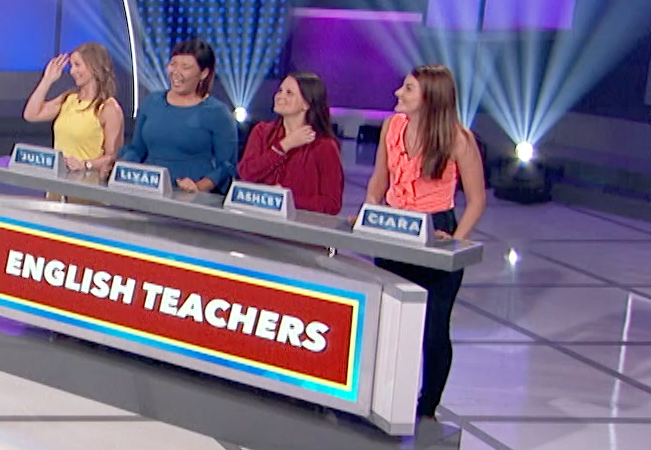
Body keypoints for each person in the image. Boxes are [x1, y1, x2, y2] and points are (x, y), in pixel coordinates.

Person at [363, 64, 486, 422]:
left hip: (436, 232)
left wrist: (456, 244)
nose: (398, 94)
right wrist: (371, 212)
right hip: (394, 229)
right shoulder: (392, 126)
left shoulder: (458, 139)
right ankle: (382, 396)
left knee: (433, 328)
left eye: (408, 89)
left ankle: (427, 405)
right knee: (389, 321)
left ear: (431, 98)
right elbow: (379, 181)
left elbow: (476, 199)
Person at [118, 38, 237, 193]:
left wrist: (198, 187)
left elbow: (226, 166)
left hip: (191, 196)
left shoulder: (217, 113)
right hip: (147, 189)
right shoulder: (152, 102)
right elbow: (137, 150)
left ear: (204, 73)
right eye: (173, 64)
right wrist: (119, 167)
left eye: (185, 67)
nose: (176, 72)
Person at [237, 71, 345, 215]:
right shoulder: (262, 132)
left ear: (306, 103)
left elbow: (332, 203)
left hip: (299, 224)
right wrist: (283, 146)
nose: (280, 96)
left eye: (289, 93)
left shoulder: (324, 146)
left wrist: (285, 200)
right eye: (280, 90)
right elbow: (246, 173)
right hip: (257, 218)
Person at [22, 42, 125, 176]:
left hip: (87, 181)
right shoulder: (69, 98)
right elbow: (31, 114)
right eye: (71, 66)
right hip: (58, 180)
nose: (72, 71)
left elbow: (112, 156)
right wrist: (47, 80)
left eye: (77, 65)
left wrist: (85, 164)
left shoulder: (108, 108)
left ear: (93, 67)